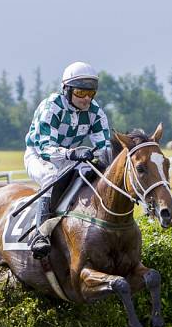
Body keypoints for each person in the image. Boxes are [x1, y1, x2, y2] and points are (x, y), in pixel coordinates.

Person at [24, 61, 112, 259]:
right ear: (67, 90)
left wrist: (103, 159)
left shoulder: (95, 112)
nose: (86, 98)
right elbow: (45, 148)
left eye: (91, 93)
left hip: (70, 158)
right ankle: (40, 234)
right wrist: (72, 153)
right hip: (39, 156)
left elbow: (105, 147)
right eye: (81, 93)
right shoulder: (51, 107)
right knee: (51, 175)